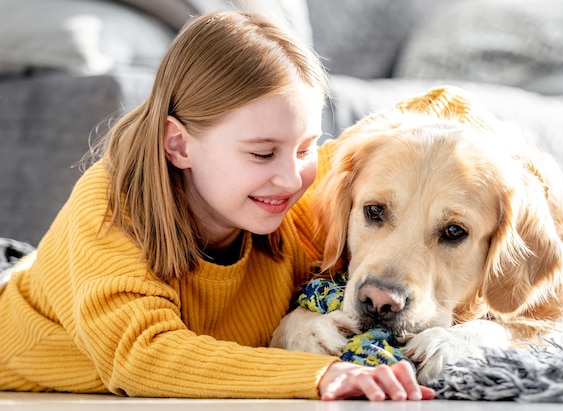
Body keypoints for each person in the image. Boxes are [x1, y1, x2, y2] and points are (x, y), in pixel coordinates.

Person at [0, 10, 435, 401]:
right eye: (262, 153)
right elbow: (143, 355)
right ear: (179, 145)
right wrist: (319, 374)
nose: (291, 177)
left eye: (305, 147)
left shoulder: (295, 194)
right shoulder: (111, 208)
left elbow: (442, 108)